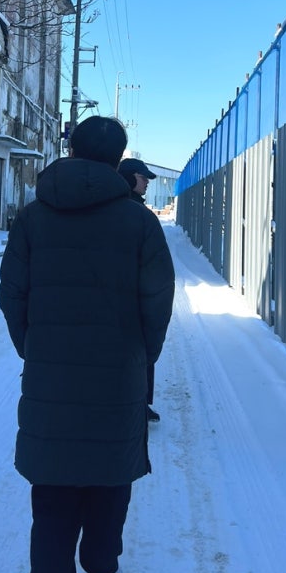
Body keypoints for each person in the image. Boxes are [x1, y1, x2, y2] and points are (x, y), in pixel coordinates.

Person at [0, 116, 175, 573]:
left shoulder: (32, 217)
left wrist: (38, 349)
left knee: (51, 506)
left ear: (71, 150)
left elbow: (12, 295)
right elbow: (157, 303)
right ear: (119, 159)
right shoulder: (140, 223)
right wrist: (138, 359)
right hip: (117, 379)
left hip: (50, 381)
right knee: (108, 481)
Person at [118, 158, 162, 423]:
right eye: (143, 177)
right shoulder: (133, 212)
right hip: (130, 299)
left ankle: (140, 403)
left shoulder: (133, 208)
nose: (146, 182)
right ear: (129, 178)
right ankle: (137, 404)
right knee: (137, 355)